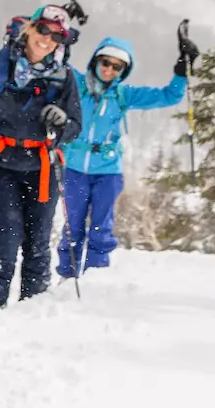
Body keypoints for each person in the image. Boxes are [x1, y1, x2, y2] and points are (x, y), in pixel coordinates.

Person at [0, 3, 85, 309]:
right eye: (42, 30)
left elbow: (76, 126)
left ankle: (29, 314)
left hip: (42, 166)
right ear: (30, 28)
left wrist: (62, 124)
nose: (47, 39)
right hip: (3, 163)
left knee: (38, 245)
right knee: (5, 243)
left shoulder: (64, 76)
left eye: (56, 35)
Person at [57, 28, 198, 280]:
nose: (109, 70)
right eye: (105, 63)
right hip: (74, 168)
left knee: (101, 229)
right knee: (72, 228)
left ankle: (94, 280)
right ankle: (67, 277)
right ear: (95, 61)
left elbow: (169, 96)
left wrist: (181, 70)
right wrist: (61, 39)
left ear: (124, 70)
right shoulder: (75, 84)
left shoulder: (124, 95)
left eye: (117, 67)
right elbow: (54, 66)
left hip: (108, 172)